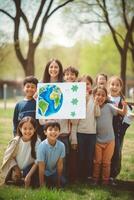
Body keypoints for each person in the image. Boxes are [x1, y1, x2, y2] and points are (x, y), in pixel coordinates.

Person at [92, 86, 127, 185]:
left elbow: (122, 113)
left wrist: (124, 105)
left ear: (106, 97)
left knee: (106, 162)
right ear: (94, 96)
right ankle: (95, 179)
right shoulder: (93, 107)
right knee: (97, 161)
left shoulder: (109, 107)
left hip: (110, 140)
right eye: (98, 95)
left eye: (103, 95)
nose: (100, 97)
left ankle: (105, 181)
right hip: (98, 140)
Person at [71, 75, 100, 183]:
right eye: (82, 84)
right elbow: (74, 122)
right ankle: (79, 176)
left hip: (91, 133)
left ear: (91, 85)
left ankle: (87, 176)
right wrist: (74, 137)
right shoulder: (77, 99)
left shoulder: (94, 97)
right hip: (80, 132)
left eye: (87, 83)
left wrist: (96, 104)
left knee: (89, 157)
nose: (85, 86)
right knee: (81, 156)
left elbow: (97, 114)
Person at [1, 116, 41, 188]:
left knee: (34, 181)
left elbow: (37, 161)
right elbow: (9, 157)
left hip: (29, 169)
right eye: (25, 128)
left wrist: (29, 175)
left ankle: (24, 179)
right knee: (12, 176)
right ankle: (17, 179)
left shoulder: (37, 141)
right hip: (17, 167)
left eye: (30, 128)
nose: (28, 131)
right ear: (20, 128)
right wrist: (16, 168)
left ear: (34, 129)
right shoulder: (16, 141)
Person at [107, 76, 131, 184]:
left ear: (121, 87)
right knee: (105, 153)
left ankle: (113, 175)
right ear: (108, 86)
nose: (114, 87)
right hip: (105, 130)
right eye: (112, 84)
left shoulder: (123, 101)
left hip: (117, 132)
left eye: (117, 85)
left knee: (116, 153)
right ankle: (103, 174)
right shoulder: (105, 98)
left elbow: (128, 116)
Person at [63, 66, 79, 183]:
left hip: (73, 126)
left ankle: (71, 176)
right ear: (64, 77)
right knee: (65, 153)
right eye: (67, 74)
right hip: (63, 126)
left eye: (72, 74)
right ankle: (64, 175)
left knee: (72, 153)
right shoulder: (61, 88)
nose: (70, 76)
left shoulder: (78, 89)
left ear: (76, 77)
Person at [37, 121, 65, 188]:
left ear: (59, 132)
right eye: (50, 129)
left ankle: (53, 182)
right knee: (37, 182)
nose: (53, 132)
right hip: (43, 172)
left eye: (56, 130)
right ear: (45, 132)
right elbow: (41, 167)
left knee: (63, 182)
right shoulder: (41, 146)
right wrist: (41, 186)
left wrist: (58, 183)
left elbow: (60, 165)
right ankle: (43, 183)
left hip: (53, 172)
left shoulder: (62, 146)